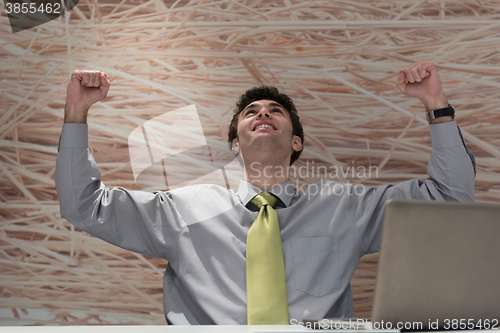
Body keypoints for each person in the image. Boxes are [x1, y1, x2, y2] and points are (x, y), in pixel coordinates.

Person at [55, 61, 475, 325]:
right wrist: (77, 114)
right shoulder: (182, 209)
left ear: (296, 143)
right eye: (251, 112)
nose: (263, 113)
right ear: (235, 144)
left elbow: (448, 197)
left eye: (276, 111)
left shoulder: (344, 208)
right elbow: (84, 206)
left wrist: (436, 105)